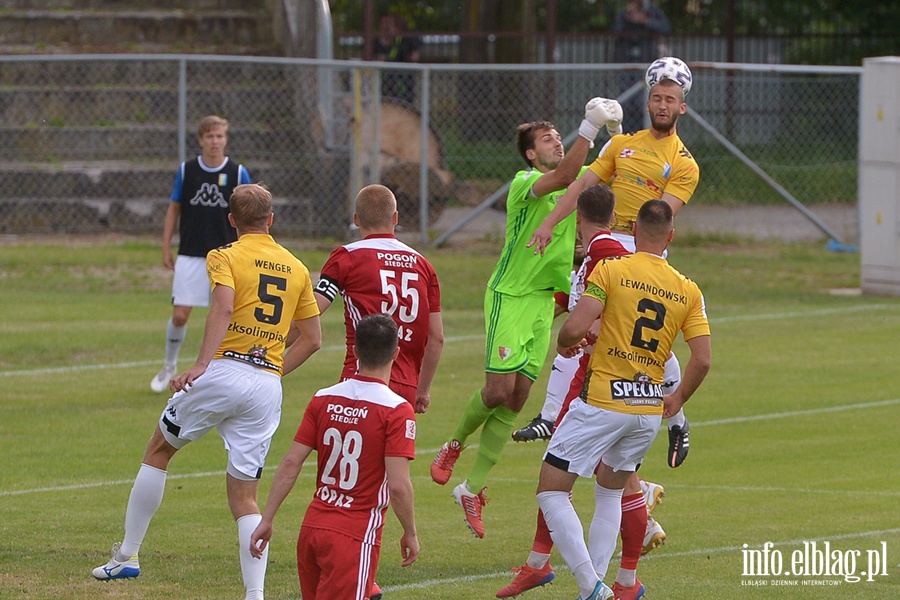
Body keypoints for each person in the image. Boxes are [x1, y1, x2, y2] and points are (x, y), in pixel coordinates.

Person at [93, 183, 323, 600]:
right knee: (245, 497)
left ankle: (127, 555)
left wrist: (201, 365)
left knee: (159, 450)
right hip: (266, 385)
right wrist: (270, 371)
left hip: (224, 370)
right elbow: (313, 339)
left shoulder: (224, 255)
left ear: (232, 221)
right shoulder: (297, 266)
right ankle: (255, 594)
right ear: (271, 220)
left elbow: (222, 306)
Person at [429, 97, 624, 539]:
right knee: (497, 389)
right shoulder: (526, 182)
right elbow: (567, 175)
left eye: (560, 136)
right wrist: (588, 127)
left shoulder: (569, 194)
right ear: (531, 154)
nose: (557, 142)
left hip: (542, 305)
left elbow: (586, 183)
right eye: (548, 139)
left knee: (516, 398)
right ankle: (453, 445)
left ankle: (472, 488)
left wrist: (615, 138)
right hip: (511, 296)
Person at [536, 199, 711, 600]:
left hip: (603, 400)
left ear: (633, 234)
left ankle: (590, 585)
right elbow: (702, 359)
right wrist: (677, 398)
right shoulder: (687, 288)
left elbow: (575, 326)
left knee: (551, 489)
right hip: (647, 409)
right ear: (671, 236)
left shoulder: (613, 269)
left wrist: (567, 344)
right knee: (610, 492)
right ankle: (594, 590)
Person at [498, 185, 665, 599]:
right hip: (633, 385)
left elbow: (610, 310)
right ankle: (613, 581)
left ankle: (599, 583)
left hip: (601, 380)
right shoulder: (600, 254)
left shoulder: (605, 255)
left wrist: (581, 334)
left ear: (576, 217)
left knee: (558, 480)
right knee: (611, 486)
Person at [528, 74, 699, 470]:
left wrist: (633, 250)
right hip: (604, 242)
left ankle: (675, 419)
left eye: (670, 99)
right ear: (648, 103)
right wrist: (550, 223)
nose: (662, 105)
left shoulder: (686, 164)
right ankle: (551, 415)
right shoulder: (621, 145)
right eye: (656, 97)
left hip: (642, 247)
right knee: (583, 327)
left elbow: (661, 215)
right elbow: (583, 185)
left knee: (641, 338)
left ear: (681, 107)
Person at [249, 313, 419, 600]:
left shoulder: (323, 398)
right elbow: (398, 486)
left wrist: (267, 518)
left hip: (313, 528)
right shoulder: (396, 410)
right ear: (397, 353)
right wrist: (410, 533)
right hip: (354, 535)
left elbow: (291, 462)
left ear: (354, 351)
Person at [313, 184, 443, 414]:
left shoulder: (347, 256)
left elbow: (312, 310)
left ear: (356, 219)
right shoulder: (423, 264)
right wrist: (422, 390)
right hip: (406, 386)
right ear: (395, 218)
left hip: (360, 379)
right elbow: (436, 337)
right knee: (396, 450)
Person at [150, 115, 253, 393]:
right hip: (191, 255)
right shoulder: (187, 171)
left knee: (225, 314)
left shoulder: (237, 172)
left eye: (219, 136)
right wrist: (166, 246)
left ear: (226, 139)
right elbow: (174, 208)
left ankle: (217, 372)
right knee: (181, 314)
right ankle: (169, 364)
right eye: (209, 136)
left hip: (226, 257)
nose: (215, 141)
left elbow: (249, 214)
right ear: (200, 140)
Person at [612, 0, 671, 132]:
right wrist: (629, 17)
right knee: (626, 102)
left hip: (648, 65)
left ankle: (645, 132)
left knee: (645, 101)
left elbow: (666, 28)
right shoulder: (623, 14)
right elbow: (615, 31)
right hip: (626, 64)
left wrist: (645, 21)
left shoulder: (654, 12)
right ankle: (626, 134)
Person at [373, 14, 421, 104]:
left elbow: (412, 56)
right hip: (389, 79)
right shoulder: (380, 42)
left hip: (403, 77)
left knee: (404, 98)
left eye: (389, 24)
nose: (386, 27)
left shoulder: (405, 40)